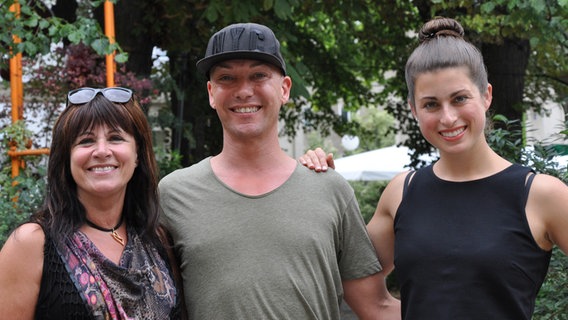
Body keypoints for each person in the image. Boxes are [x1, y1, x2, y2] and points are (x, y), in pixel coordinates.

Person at [300, 17, 568, 319]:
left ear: (486, 95)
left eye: (460, 98)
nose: (448, 117)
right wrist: (320, 189)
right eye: (430, 104)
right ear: (413, 109)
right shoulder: (402, 193)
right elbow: (353, 279)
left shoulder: (542, 194)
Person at [158, 22, 400, 319]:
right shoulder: (172, 195)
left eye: (259, 75)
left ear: (284, 89)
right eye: (227, 78)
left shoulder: (329, 189)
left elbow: (377, 306)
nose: (244, 90)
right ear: (211, 92)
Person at [0, 87, 185, 319]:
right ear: (66, 158)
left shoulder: (157, 240)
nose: (101, 151)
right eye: (86, 141)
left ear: (138, 154)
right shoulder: (32, 244)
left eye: (115, 138)